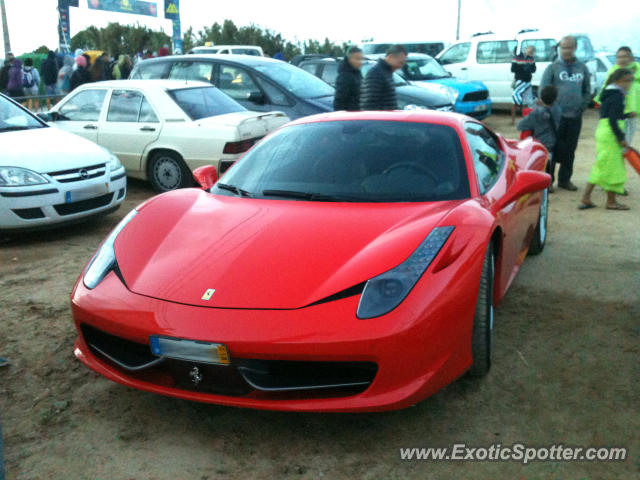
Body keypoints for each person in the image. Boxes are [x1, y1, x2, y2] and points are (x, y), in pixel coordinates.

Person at [540, 35, 592, 191]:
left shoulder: (582, 68)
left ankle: (564, 180)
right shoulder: (552, 68)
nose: (566, 51)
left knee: (570, 149)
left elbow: (587, 91)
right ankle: (548, 182)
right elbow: (543, 91)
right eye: (563, 47)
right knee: (552, 149)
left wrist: (581, 106)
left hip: (575, 117)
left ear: (575, 48)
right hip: (555, 118)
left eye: (569, 47)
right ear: (559, 49)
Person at [580, 69, 635, 211]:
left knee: (602, 165)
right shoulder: (617, 96)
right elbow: (612, 120)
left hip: (605, 132)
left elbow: (610, 115)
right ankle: (610, 201)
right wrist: (621, 137)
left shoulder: (609, 93)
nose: (629, 84)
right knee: (612, 167)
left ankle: (586, 197)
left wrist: (626, 115)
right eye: (626, 80)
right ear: (618, 81)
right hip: (611, 134)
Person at [517, 85, 561, 190]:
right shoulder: (558, 110)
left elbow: (520, 126)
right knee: (551, 163)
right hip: (553, 142)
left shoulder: (536, 113)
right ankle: (550, 183)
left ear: (541, 97)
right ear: (555, 98)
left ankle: (543, 184)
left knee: (541, 165)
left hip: (540, 143)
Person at [595, 46, 640, 145]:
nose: (621, 59)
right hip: (616, 113)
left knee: (627, 142)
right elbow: (604, 92)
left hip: (631, 114)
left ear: (631, 58)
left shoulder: (638, 72)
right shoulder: (612, 72)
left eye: (624, 56)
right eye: (619, 57)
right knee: (616, 141)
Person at [360, 44, 406, 110]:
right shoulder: (376, 74)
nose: (401, 66)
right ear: (390, 57)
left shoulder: (386, 73)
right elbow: (369, 104)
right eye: (400, 62)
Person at [511, 45, 536, 124]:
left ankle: (525, 120)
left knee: (526, 102)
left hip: (527, 82)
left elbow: (534, 70)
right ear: (526, 49)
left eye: (532, 51)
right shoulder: (517, 57)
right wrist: (523, 67)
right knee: (515, 101)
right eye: (530, 50)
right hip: (519, 81)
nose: (531, 52)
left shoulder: (531, 59)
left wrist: (530, 67)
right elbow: (512, 69)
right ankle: (513, 121)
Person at [333, 46, 364, 111]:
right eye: (357, 59)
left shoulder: (357, 73)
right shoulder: (345, 76)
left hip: (360, 114)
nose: (360, 62)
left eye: (361, 59)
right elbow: (339, 101)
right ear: (349, 59)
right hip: (351, 116)